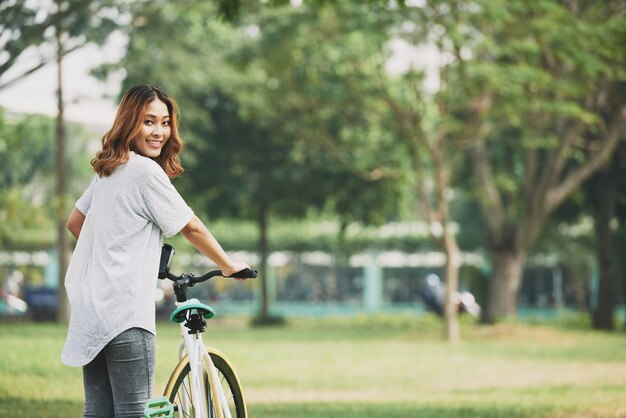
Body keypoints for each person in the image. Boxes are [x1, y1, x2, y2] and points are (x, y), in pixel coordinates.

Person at [61, 84, 250, 418]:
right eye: (149, 121)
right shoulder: (146, 172)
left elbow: (76, 223)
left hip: (91, 312)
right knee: (136, 411)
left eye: (165, 123)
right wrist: (228, 264)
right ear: (129, 121)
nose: (159, 131)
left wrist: (120, 246)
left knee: (98, 412)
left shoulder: (109, 169)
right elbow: (190, 226)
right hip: (125, 313)